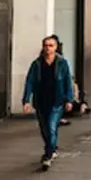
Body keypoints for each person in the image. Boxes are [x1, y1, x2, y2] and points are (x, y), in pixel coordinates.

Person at [22, 36, 73, 170]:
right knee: (45, 129)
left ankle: (48, 155)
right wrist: (26, 100)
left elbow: (68, 81)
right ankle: (51, 147)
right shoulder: (37, 64)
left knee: (51, 126)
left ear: (56, 47)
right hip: (40, 100)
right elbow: (30, 82)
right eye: (45, 45)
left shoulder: (62, 63)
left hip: (56, 100)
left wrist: (69, 99)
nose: (48, 48)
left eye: (51, 45)